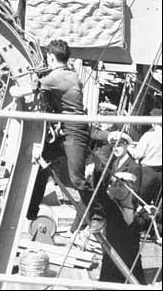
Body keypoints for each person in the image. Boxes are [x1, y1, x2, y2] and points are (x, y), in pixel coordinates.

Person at [24, 40, 106, 232]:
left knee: (76, 178)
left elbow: (23, 90)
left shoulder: (55, 78)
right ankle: (31, 209)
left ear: (51, 58)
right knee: (41, 164)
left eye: (48, 58)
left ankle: (97, 216)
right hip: (64, 132)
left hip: (75, 132)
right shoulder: (71, 74)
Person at [94, 131, 145, 284]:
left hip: (125, 215)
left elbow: (135, 194)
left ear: (127, 146)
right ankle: (108, 281)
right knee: (111, 249)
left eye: (120, 144)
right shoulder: (112, 164)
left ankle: (135, 282)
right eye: (113, 144)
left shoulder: (134, 167)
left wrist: (121, 183)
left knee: (129, 251)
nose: (116, 147)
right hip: (112, 213)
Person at [129, 108, 162, 206]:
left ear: (153, 122)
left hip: (147, 172)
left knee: (142, 201)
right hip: (160, 172)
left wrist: (129, 147)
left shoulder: (148, 136)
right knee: (157, 202)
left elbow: (137, 154)